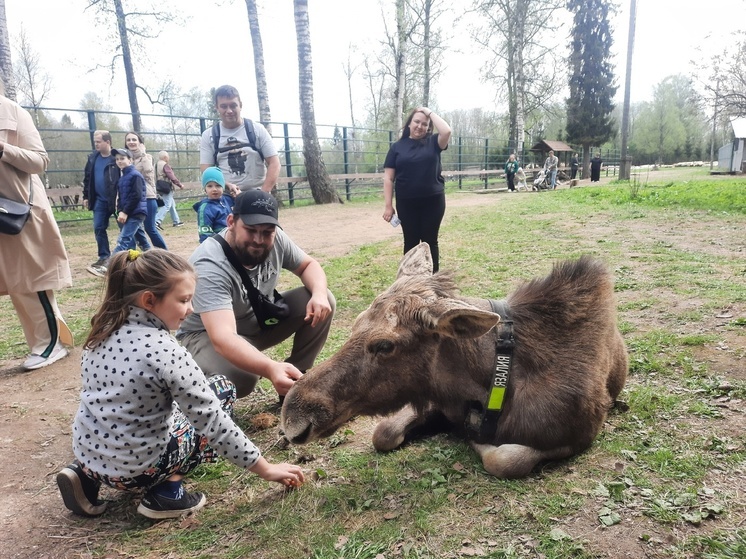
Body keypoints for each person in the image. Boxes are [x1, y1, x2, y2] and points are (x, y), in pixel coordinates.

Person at [56, 249, 305, 519]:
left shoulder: (100, 331)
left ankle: (85, 478)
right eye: (184, 300)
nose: (191, 309)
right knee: (221, 388)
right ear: (149, 300)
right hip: (138, 472)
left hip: (90, 456)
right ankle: (167, 492)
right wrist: (266, 468)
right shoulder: (164, 350)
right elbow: (212, 421)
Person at [176, 190, 335, 399]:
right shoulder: (209, 265)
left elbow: (308, 265)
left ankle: (295, 381)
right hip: (206, 334)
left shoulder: (276, 238)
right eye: (250, 230)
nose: (259, 239)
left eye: (267, 232)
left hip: (256, 321)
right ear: (231, 221)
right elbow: (223, 337)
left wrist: (319, 295)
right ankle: (195, 386)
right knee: (242, 378)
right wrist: (269, 368)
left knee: (323, 299)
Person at [0, 88, 74, 370]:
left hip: (22, 209)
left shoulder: (14, 113)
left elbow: (39, 160)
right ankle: (46, 340)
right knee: (16, 282)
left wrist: (3, 149)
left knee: (33, 279)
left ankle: (50, 344)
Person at [382, 107, 452, 272]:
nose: (420, 126)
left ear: (429, 126)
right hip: (407, 203)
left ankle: (433, 281)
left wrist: (429, 112)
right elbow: (388, 178)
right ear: (409, 124)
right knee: (411, 242)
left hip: (433, 201)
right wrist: (388, 205)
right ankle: (409, 282)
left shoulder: (434, 142)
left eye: (424, 124)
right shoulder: (397, 148)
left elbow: (447, 130)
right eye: (416, 122)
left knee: (430, 241)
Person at [199, 85, 280, 193]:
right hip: (225, 196)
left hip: (257, 192)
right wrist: (226, 185)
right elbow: (207, 171)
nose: (229, 111)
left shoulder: (257, 129)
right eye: (223, 106)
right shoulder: (208, 135)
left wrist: (263, 193)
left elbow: (275, 163)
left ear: (240, 105)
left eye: (233, 105)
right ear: (217, 107)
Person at [82, 130, 119, 275]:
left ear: (107, 142)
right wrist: (86, 196)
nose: (95, 144)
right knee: (98, 228)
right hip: (99, 200)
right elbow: (87, 179)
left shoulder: (117, 158)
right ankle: (104, 256)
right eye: (95, 141)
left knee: (126, 229)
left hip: (116, 200)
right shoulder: (92, 159)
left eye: (98, 141)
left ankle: (127, 255)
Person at [124, 131, 167, 250]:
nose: (131, 142)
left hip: (147, 196)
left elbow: (149, 172)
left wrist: (142, 154)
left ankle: (165, 255)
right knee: (133, 229)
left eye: (134, 140)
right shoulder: (125, 159)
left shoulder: (147, 157)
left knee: (150, 228)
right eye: (129, 140)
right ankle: (139, 255)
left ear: (140, 142)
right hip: (131, 199)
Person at [109, 148, 148, 258]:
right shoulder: (123, 177)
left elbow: (136, 196)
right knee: (142, 242)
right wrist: (120, 210)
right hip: (130, 213)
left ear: (130, 160)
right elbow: (121, 197)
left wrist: (125, 211)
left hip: (136, 213)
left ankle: (109, 265)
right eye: (117, 159)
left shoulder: (135, 175)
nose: (119, 161)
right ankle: (158, 262)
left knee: (123, 240)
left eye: (122, 158)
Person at [194, 167, 234, 243]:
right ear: (205, 189)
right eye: (210, 186)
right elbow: (205, 233)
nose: (214, 189)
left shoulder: (227, 200)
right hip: (218, 243)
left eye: (218, 185)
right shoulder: (205, 208)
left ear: (223, 187)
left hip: (231, 238)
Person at [154, 150, 185, 230]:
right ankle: (156, 221)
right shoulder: (165, 165)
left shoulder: (156, 165)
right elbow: (171, 176)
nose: (168, 158)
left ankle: (176, 221)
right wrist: (179, 184)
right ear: (165, 157)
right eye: (168, 157)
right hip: (166, 186)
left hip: (159, 186)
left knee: (171, 204)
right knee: (167, 205)